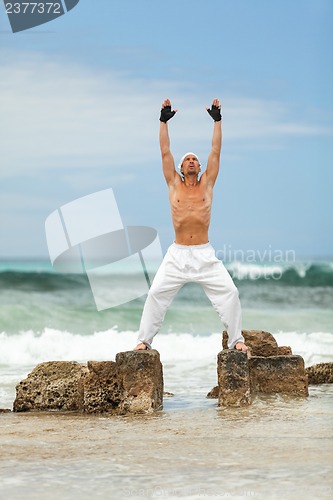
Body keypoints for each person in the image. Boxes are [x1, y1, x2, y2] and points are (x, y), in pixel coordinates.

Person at [134, 98, 248, 352]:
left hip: (204, 254)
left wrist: (217, 121)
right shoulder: (174, 184)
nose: (192, 161)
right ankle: (144, 340)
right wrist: (163, 122)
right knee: (155, 296)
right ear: (181, 167)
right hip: (177, 254)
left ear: (200, 166)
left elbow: (216, 151)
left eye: (195, 159)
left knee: (230, 293)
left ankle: (237, 340)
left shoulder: (207, 183)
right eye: (187, 160)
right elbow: (165, 151)